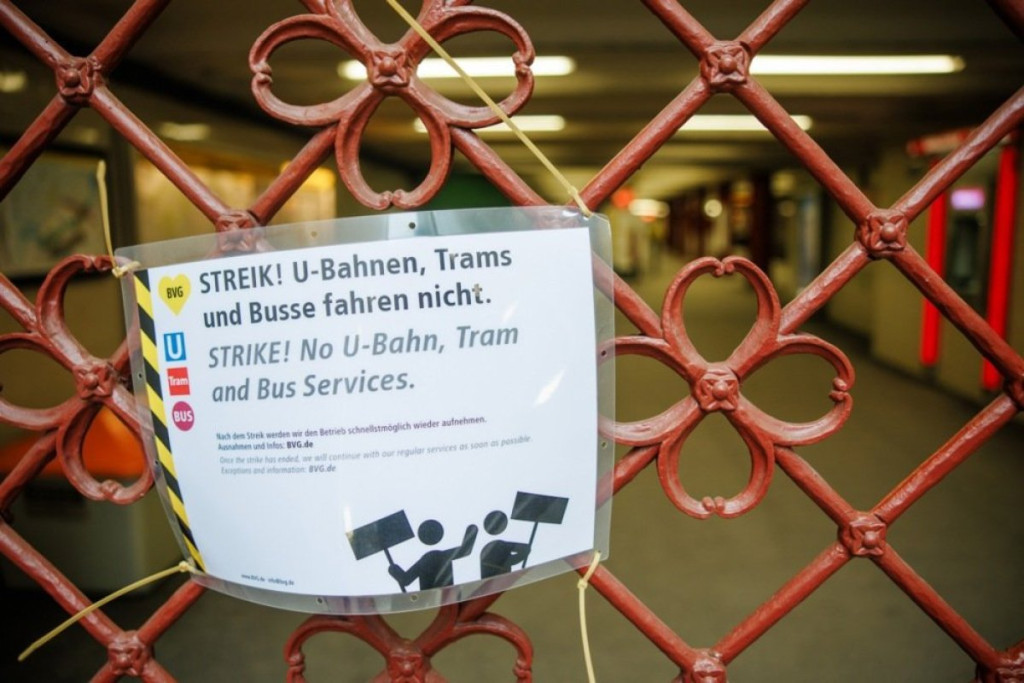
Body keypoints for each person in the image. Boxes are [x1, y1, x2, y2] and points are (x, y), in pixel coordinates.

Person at [388, 519, 477, 590]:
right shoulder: (439, 556)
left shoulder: (427, 559)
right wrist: (472, 529)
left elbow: (405, 579)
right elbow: (464, 550)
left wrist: (393, 569)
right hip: (442, 596)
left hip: (435, 598)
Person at [479, 510, 531, 578]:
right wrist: (509, 561)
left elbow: (525, 549)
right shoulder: (499, 545)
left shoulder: (488, 549)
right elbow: (525, 549)